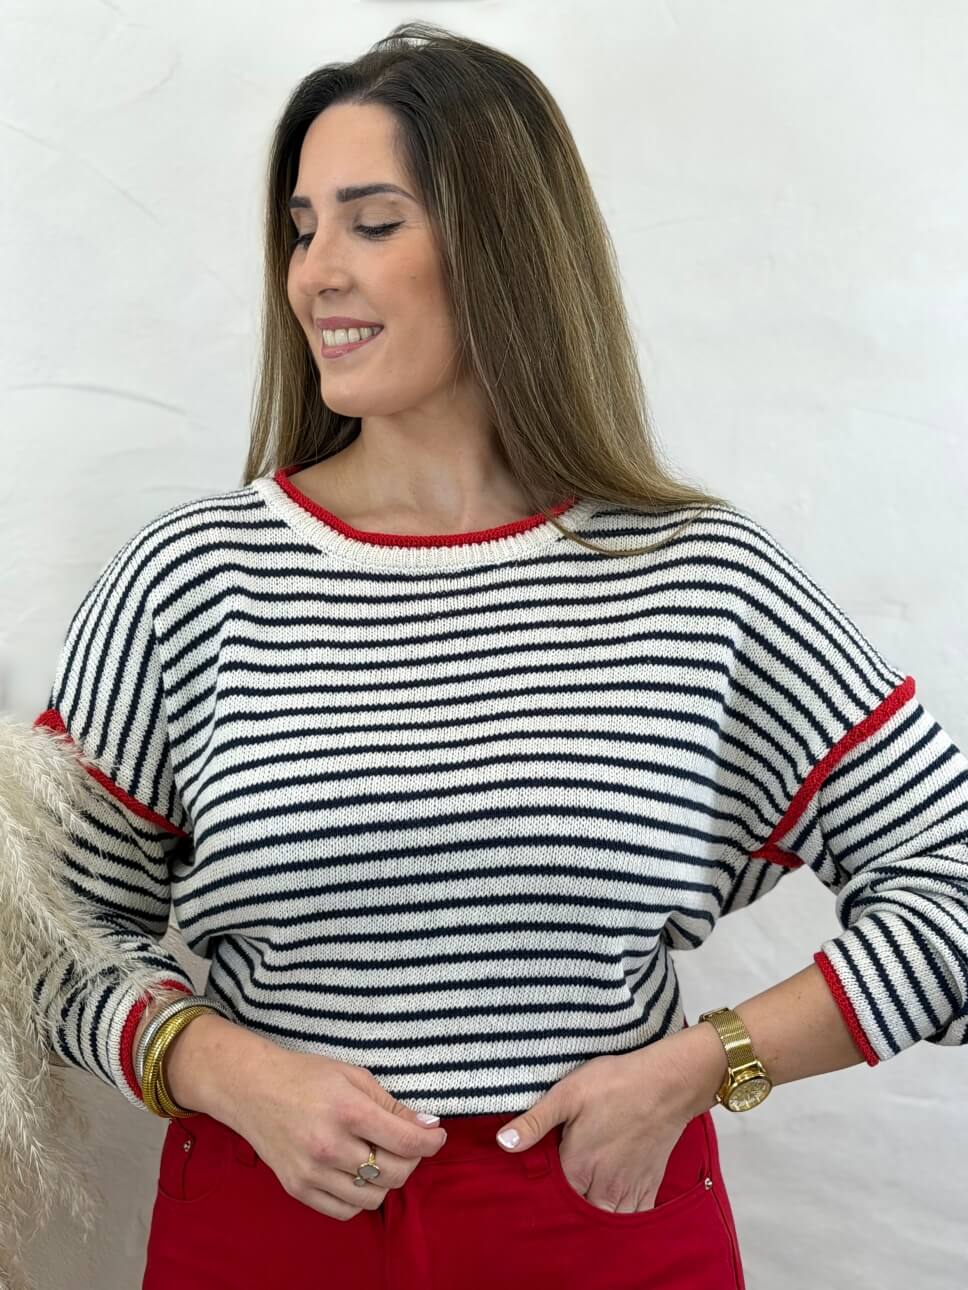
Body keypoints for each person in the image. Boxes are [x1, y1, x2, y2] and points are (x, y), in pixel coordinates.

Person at [23, 20, 968, 1290]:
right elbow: (44, 933)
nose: (314, 275)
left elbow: (951, 879)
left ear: (502, 247)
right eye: (300, 230)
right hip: (271, 1229)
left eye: (371, 222)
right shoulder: (190, 580)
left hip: (602, 1226)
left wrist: (706, 1065)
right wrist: (221, 1067)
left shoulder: (698, 577)